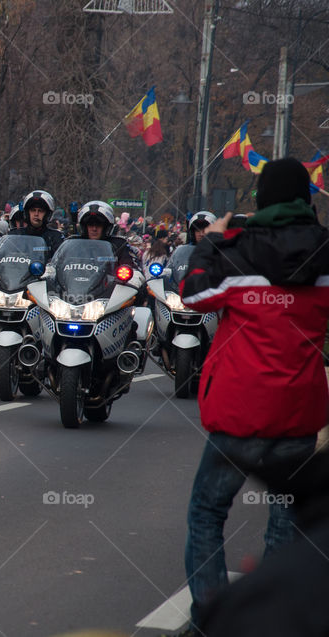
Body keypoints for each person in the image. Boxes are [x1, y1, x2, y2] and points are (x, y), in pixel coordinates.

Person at [174, 158, 329, 636]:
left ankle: (211, 617)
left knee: (207, 512)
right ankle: (278, 620)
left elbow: (191, 295)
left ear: (260, 201)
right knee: (288, 523)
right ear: (307, 200)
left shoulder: (238, 252)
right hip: (297, 416)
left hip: (237, 416)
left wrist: (212, 240)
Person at [11, 190, 64, 257]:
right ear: (27, 213)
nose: (36, 214)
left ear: (47, 214)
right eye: (33, 210)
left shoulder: (55, 237)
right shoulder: (16, 235)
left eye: (40, 211)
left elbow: (61, 260)